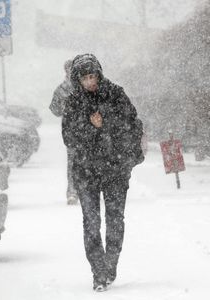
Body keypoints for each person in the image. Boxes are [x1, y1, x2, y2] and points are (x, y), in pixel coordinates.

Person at [62, 54, 144, 292]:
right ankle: (98, 270)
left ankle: (111, 264)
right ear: (78, 80)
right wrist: (90, 127)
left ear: (99, 74)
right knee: (91, 221)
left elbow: (132, 125)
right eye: (85, 78)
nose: (91, 82)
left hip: (115, 169)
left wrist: (105, 124)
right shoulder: (73, 102)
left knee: (115, 219)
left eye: (93, 76)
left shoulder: (116, 94)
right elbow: (69, 137)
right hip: (86, 171)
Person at [49, 59, 79, 205]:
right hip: (72, 132)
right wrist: (64, 106)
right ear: (66, 71)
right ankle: (72, 191)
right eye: (70, 69)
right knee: (73, 162)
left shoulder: (87, 86)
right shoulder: (61, 89)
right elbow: (54, 110)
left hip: (90, 132)